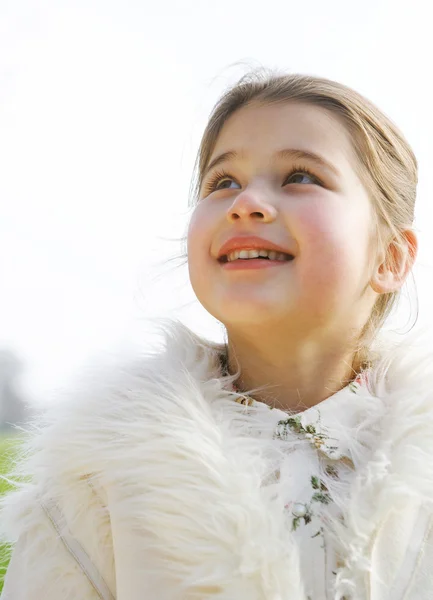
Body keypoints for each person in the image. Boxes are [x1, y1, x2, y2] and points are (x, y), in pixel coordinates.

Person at [1, 70, 432, 600]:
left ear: (390, 256)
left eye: (300, 176)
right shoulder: (98, 481)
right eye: (222, 182)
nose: (244, 201)